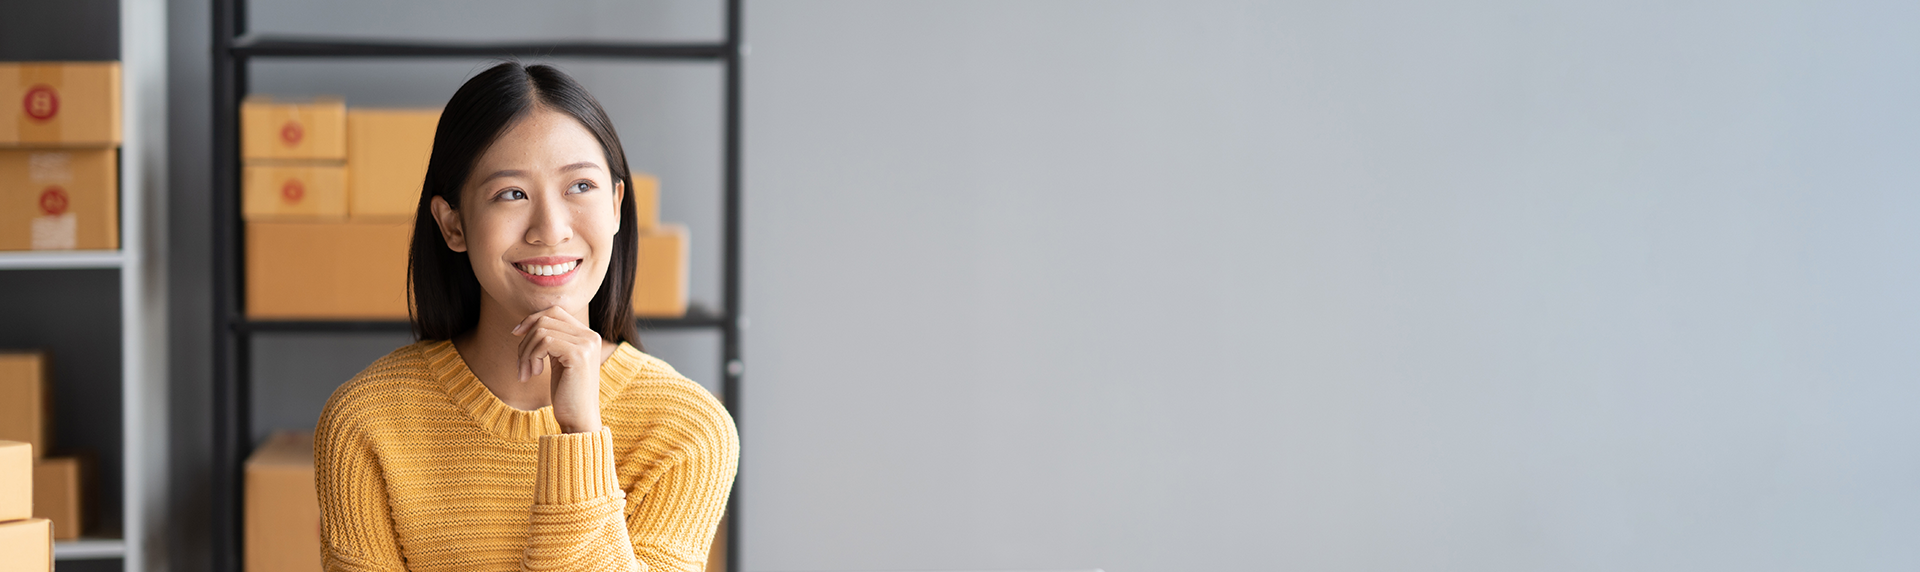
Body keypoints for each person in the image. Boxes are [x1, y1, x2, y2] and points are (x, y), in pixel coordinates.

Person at [314, 62, 736, 572]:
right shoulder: (366, 421)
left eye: (580, 186)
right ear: (453, 225)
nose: (550, 229)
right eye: (511, 194)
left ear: (618, 206)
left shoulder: (687, 431)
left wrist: (580, 432)